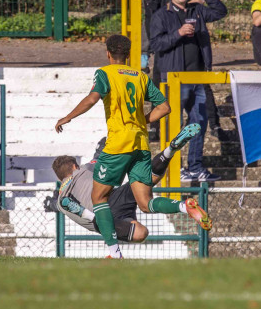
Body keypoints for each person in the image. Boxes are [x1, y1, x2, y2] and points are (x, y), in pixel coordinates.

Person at [53, 35, 178, 259]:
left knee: (98, 198)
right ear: (129, 55)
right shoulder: (140, 76)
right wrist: (142, 121)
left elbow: (92, 99)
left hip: (119, 143)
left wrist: (67, 117)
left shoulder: (105, 73)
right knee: (145, 201)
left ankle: (114, 252)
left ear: (108, 53)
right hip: (141, 143)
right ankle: (183, 206)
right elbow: (165, 108)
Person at [52, 139, 211, 246]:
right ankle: (169, 152)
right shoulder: (85, 169)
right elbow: (100, 158)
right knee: (147, 185)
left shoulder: (62, 200)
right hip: (114, 197)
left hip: (104, 217)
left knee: (141, 233)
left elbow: (68, 208)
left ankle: (114, 254)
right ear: (74, 167)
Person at [151, 0, 228, 182]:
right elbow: (156, 45)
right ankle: (170, 168)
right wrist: (178, 33)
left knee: (199, 122)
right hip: (174, 81)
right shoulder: (161, 15)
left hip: (198, 79)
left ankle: (194, 166)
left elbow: (221, 12)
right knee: (173, 125)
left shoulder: (198, 10)